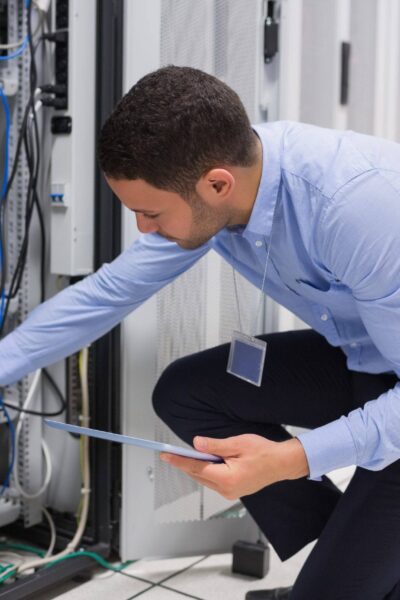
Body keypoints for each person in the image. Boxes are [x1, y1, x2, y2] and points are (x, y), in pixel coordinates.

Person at [1, 66, 400, 600]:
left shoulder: (357, 209)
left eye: (150, 213)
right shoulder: (225, 189)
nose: (144, 229)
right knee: (187, 392)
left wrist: (289, 460)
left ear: (216, 184)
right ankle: (358, 556)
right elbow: (104, 295)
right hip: (369, 357)